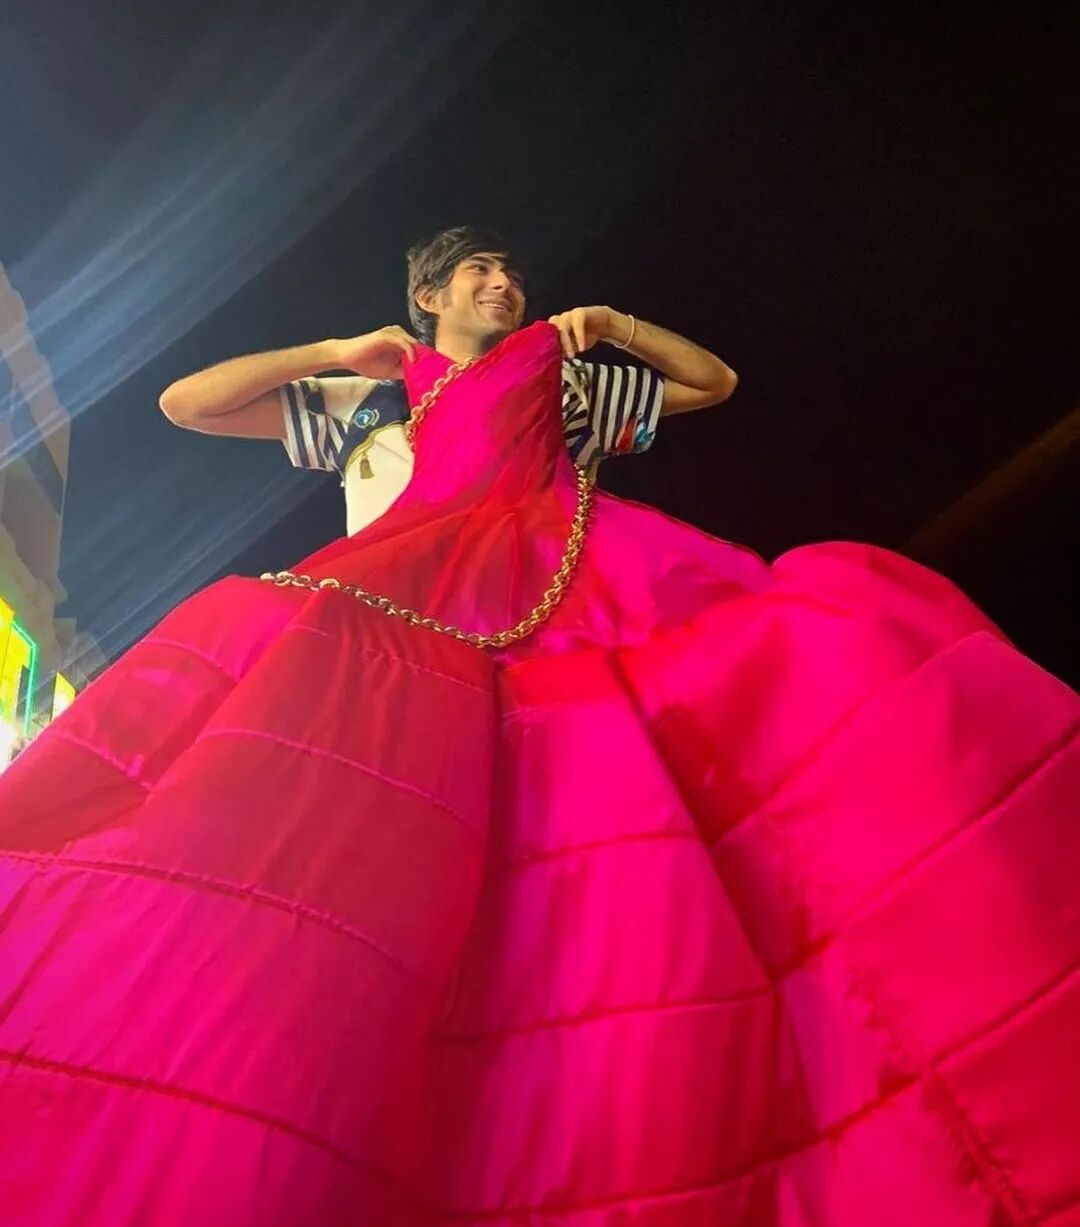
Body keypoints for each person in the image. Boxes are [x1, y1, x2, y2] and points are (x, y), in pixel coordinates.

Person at [0, 224, 1076, 1227]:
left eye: (512, 273)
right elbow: (187, 403)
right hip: (384, 653)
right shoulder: (369, 401)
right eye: (480, 271)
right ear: (429, 296)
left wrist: (614, 327)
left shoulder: (564, 386)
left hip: (544, 612)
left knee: (559, 844)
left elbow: (711, 383)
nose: (505, 284)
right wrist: (339, 351)